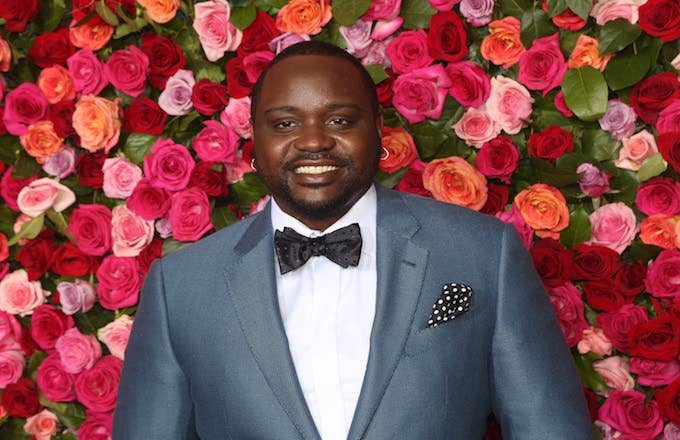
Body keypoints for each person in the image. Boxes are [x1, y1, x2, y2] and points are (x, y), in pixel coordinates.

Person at [113, 41, 594, 440]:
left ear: (379, 131)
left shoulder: (485, 254)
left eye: (340, 120)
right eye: (284, 124)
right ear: (253, 145)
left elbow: (549, 430)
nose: (314, 141)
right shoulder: (180, 288)